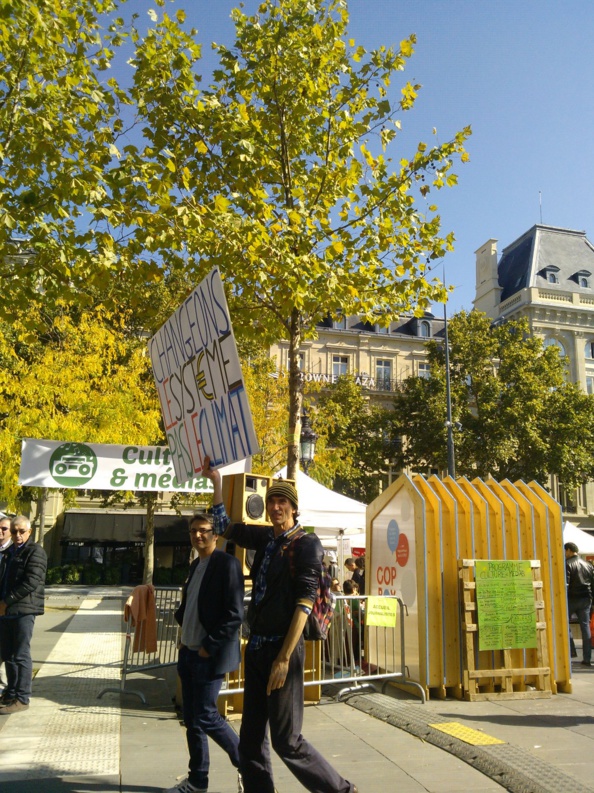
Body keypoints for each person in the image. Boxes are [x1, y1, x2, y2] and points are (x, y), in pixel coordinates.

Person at [204, 457, 358, 793]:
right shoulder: (267, 540)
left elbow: (304, 604)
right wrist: (216, 481)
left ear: (293, 508)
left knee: (287, 740)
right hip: (258, 647)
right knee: (250, 740)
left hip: (283, 650)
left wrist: (285, 657)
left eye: (282, 501)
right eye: (272, 500)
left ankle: (341, 791)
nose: (275, 506)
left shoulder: (306, 544)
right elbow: (223, 526)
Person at [166, 513, 245, 793]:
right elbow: (190, 607)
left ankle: (247, 764)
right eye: (193, 531)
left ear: (215, 534)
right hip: (187, 653)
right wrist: (184, 638)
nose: (198, 535)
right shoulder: (194, 565)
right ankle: (197, 781)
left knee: (206, 716)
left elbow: (235, 614)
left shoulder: (227, 564)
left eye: (203, 530)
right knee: (192, 721)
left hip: (206, 655)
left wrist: (207, 647)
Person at [0, 515, 47, 713]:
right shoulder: (11, 552)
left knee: (20, 654)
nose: (17, 535)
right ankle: (11, 693)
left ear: (29, 532)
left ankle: (22, 698)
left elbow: (31, 582)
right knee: (8, 654)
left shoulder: (35, 552)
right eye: (14, 531)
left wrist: (5, 601)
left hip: (24, 610)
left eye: (22, 531)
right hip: (8, 611)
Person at [564, 541, 594, 667]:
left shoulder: (567, 564)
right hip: (586, 599)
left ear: (569, 550)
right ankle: (587, 659)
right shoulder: (588, 565)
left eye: (565, 551)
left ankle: (571, 652)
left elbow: (566, 583)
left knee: (565, 625)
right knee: (585, 628)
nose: (564, 554)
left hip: (571, 598)